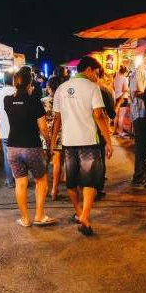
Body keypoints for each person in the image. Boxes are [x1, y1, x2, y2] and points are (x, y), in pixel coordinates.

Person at [51, 56, 112, 236]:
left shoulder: (61, 89)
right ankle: (84, 216)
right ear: (88, 69)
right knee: (90, 180)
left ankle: (79, 212)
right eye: (96, 72)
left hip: (69, 142)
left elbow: (57, 118)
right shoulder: (93, 88)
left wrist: (53, 141)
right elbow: (99, 115)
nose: (97, 76)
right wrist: (108, 140)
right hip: (89, 142)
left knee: (71, 180)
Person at [4, 68, 57, 227]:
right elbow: (42, 127)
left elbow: (16, 101)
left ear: (15, 83)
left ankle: (25, 219)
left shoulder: (7, 100)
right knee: (41, 180)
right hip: (32, 147)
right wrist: (48, 143)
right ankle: (39, 215)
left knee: (20, 183)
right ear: (30, 83)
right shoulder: (34, 101)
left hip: (12, 147)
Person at [129, 48, 146, 185]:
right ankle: (138, 176)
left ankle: (143, 175)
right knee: (141, 147)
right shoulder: (141, 70)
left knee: (144, 146)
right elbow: (136, 92)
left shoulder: (143, 70)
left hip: (142, 113)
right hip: (140, 113)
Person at [0, 72, 17, 188]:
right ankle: (20, 180)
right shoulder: (18, 92)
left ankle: (10, 181)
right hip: (19, 131)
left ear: (3, 81)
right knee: (18, 156)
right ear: (14, 80)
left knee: (8, 158)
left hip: (5, 132)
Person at [41, 76, 63, 200]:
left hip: (45, 133)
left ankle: (45, 188)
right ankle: (54, 190)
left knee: (44, 162)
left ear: (49, 88)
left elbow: (39, 119)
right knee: (56, 162)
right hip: (59, 133)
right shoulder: (63, 101)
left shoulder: (42, 101)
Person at [96, 68, 116, 200]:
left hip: (81, 131)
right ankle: (98, 188)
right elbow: (111, 113)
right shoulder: (104, 90)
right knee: (99, 158)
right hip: (99, 130)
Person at [113, 65, 129, 135]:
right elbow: (125, 89)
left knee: (116, 116)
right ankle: (121, 132)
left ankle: (114, 131)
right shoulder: (124, 78)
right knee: (121, 116)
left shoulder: (115, 78)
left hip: (116, 97)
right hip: (123, 98)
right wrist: (128, 90)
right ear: (125, 72)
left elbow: (113, 88)